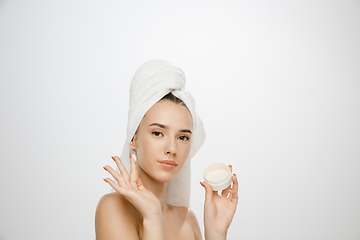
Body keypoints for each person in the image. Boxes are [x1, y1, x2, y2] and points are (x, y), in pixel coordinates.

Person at [95, 60, 238, 240]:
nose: (172, 149)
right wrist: (152, 218)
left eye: (183, 137)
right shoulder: (114, 207)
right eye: (157, 133)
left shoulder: (188, 220)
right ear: (133, 137)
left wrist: (216, 233)